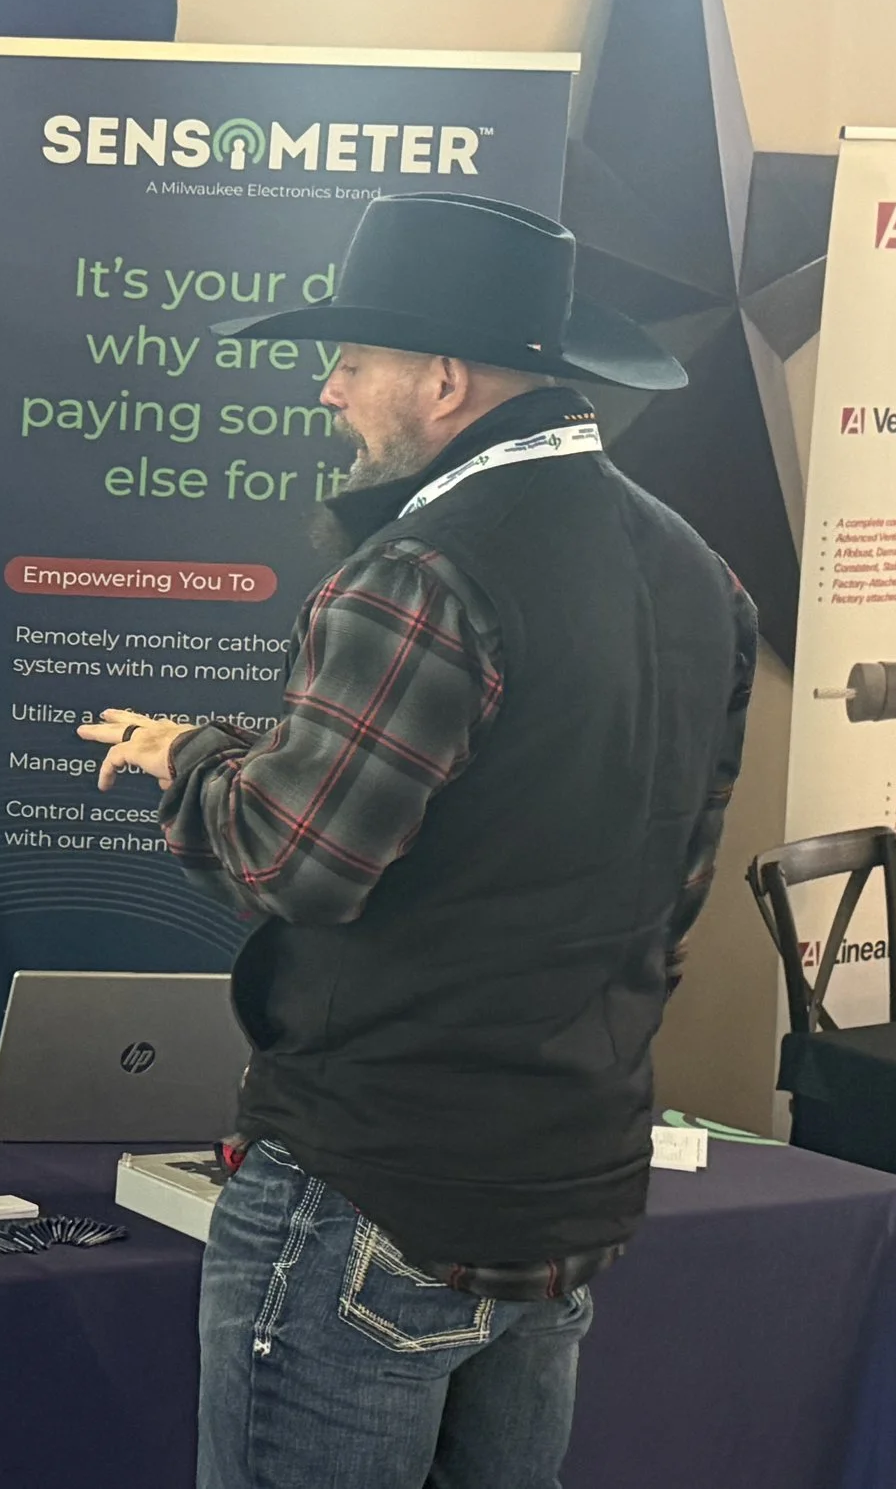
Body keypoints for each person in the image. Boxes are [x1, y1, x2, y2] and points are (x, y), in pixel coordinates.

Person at [80, 193, 757, 1489]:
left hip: (374, 1188)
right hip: (564, 1188)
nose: (331, 390)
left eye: (354, 358)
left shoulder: (422, 571)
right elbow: (673, 887)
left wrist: (188, 756)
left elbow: (295, 858)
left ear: (443, 380)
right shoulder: (700, 573)